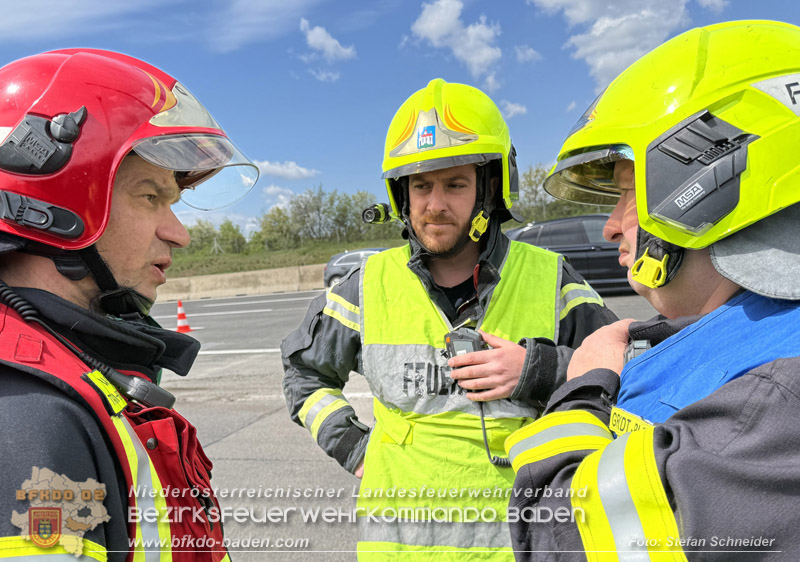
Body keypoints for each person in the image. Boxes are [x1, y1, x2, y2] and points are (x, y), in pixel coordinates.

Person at [282, 78, 617, 559]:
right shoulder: (366, 285)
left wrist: (539, 370)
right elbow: (303, 373)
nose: (434, 204)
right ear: (402, 194)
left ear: (490, 190)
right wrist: (353, 447)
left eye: (455, 184)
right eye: (421, 185)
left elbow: (629, 372)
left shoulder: (549, 277)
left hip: (518, 544)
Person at [504, 20, 800, 561]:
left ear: (711, 179)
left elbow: (562, 540)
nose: (612, 227)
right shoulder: (759, 342)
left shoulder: (776, 398)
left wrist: (582, 391)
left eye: (628, 194)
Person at [0, 49, 259, 561]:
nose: (179, 234)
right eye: (150, 197)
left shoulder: (72, 372)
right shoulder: (32, 419)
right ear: (62, 202)